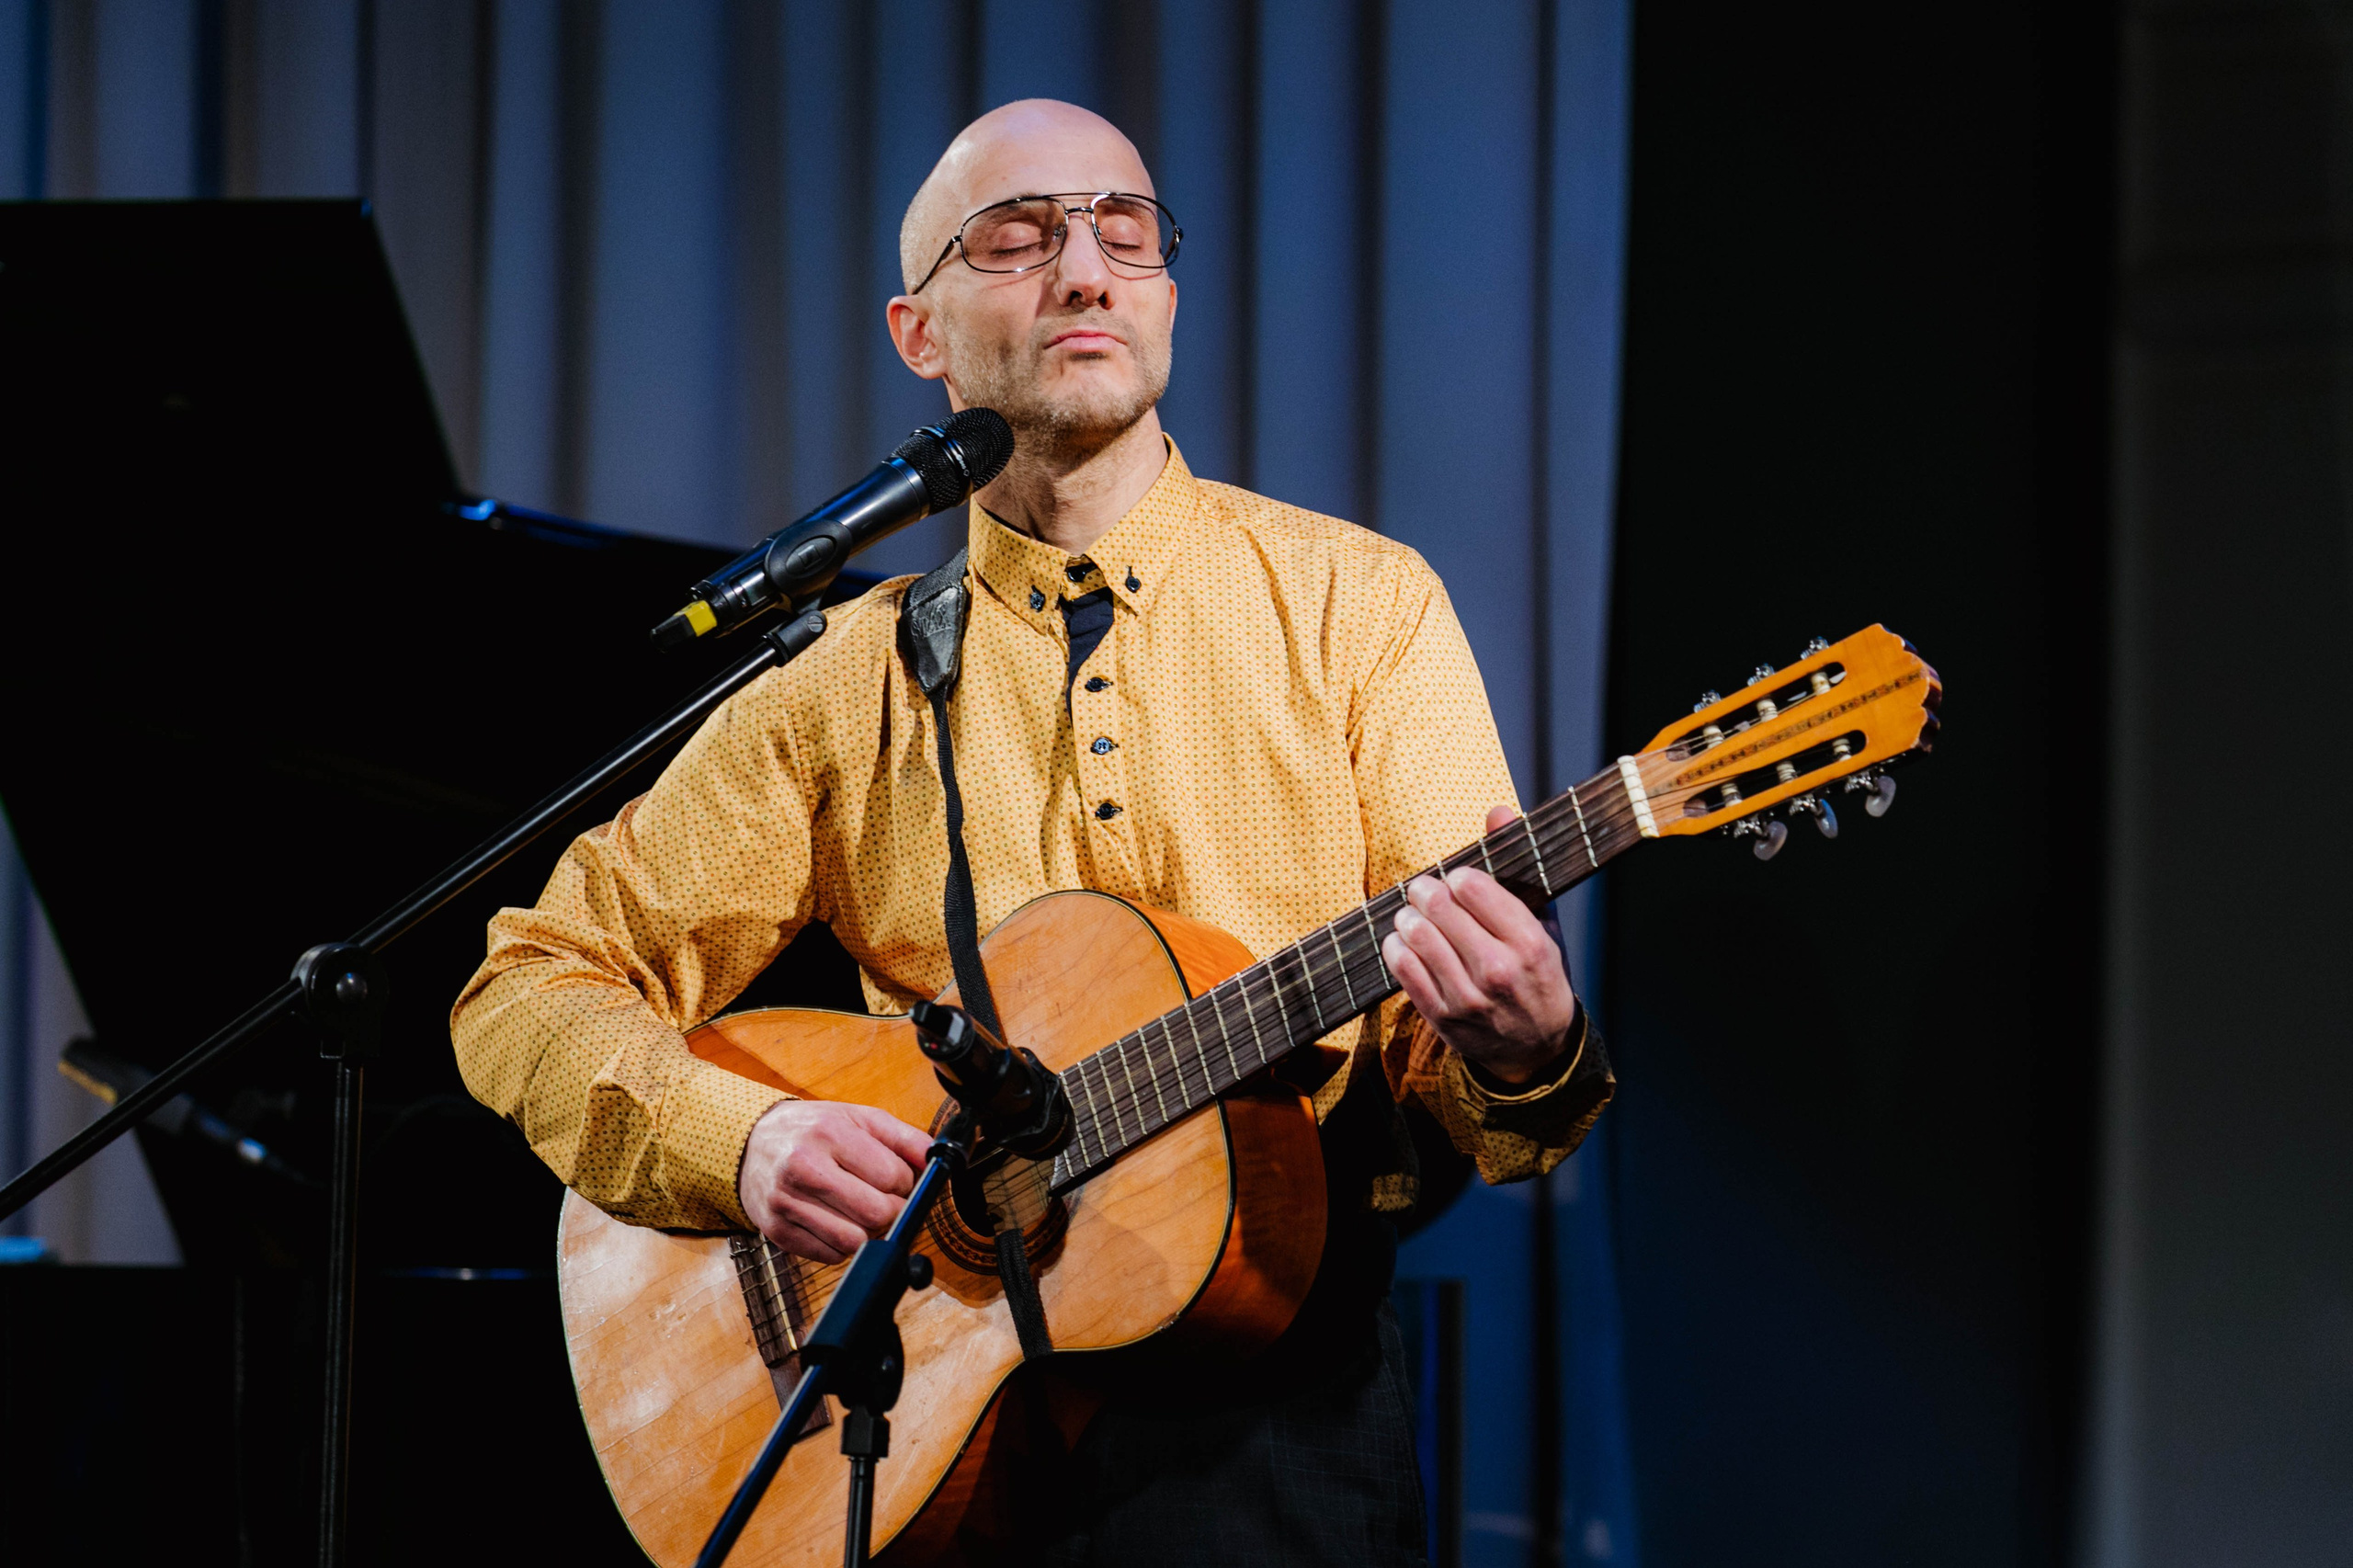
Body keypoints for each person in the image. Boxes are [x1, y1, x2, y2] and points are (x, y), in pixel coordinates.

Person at [451, 97, 1611, 1566]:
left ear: (1167, 294)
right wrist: (741, 1142)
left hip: (1273, 1412)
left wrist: (1522, 1041)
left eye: (1123, 229)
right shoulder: (842, 681)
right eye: (1017, 237)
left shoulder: (1360, 606)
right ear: (918, 333)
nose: (1083, 270)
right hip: (928, 1421)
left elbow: (1467, 1082)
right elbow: (525, 982)